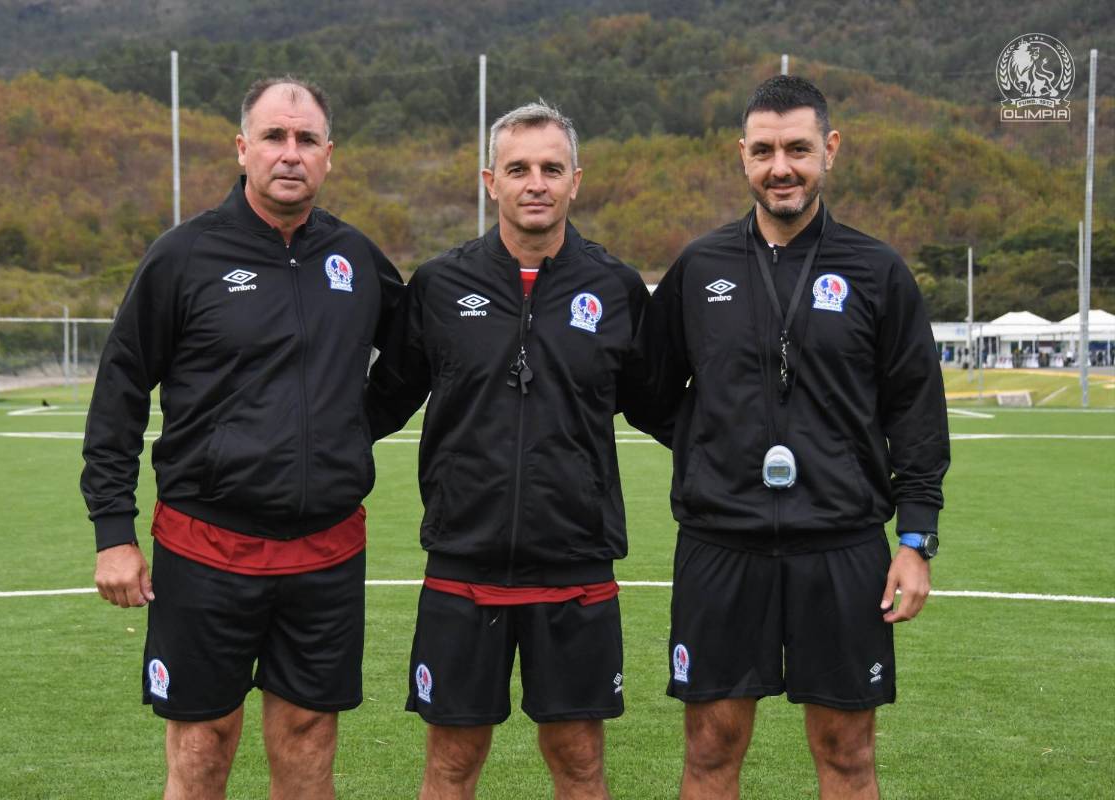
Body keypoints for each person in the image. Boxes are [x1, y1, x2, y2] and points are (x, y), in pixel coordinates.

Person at [80, 76, 403, 799]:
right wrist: (113, 530)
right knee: (203, 743)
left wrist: (347, 427)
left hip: (326, 551)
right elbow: (120, 394)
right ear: (242, 148)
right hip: (206, 547)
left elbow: (411, 361)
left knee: (309, 737)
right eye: (273, 137)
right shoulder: (183, 257)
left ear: (329, 155)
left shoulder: (356, 259)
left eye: (306, 139)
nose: (290, 154)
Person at [644, 75, 950, 799]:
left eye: (798, 149)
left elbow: (915, 407)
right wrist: (711, 444)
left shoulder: (877, 271)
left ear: (830, 150)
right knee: (711, 747)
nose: (781, 166)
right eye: (764, 150)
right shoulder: (699, 268)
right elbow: (648, 390)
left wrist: (916, 539)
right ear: (741, 156)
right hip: (722, 542)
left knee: (847, 752)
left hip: (841, 544)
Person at [366, 101, 652, 800]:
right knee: (452, 765)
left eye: (551, 168)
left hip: (575, 562)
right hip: (465, 560)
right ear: (489, 180)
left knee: (580, 762)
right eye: (519, 168)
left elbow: (667, 408)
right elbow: (376, 404)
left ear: (575, 181)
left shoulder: (614, 288)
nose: (536, 183)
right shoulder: (438, 286)